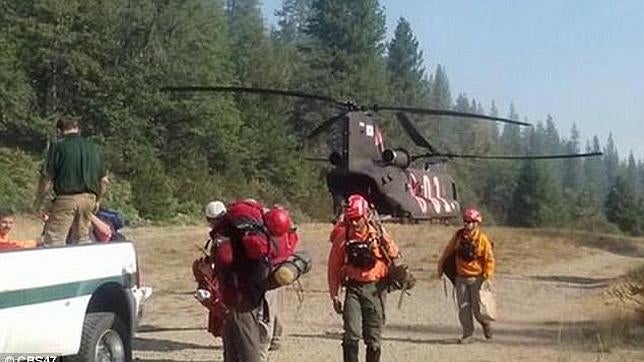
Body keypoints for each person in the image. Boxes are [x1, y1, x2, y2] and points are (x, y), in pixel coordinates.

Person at [327, 194, 400, 362]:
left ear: (365, 215)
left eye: (357, 219)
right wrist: (334, 294)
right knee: (351, 334)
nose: (353, 223)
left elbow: (395, 254)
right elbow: (334, 267)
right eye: (350, 219)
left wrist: (385, 241)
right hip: (353, 289)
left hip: (375, 290)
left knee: (373, 337)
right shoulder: (343, 237)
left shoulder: (378, 235)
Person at [33, 116, 108, 245]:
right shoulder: (94, 148)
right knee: (83, 239)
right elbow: (104, 181)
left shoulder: (58, 146)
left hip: (66, 199)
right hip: (89, 199)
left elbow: (47, 178)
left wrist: (38, 202)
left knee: (54, 241)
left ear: (59, 131)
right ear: (78, 129)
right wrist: (98, 200)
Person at [437, 207, 495, 344]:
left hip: (477, 279)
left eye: (470, 222)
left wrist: (488, 275)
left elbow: (489, 259)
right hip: (461, 278)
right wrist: (440, 267)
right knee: (463, 308)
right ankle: (468, 334)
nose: (467, 224)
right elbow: (447, 251)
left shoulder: (482, 240)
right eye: (465, 221)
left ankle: (485, 324)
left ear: (476, 223)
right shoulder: (458, 236)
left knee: (478, 309)